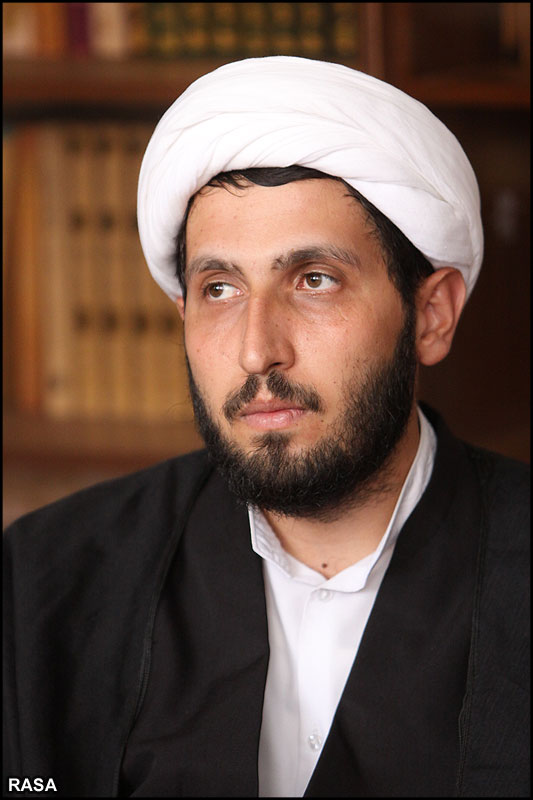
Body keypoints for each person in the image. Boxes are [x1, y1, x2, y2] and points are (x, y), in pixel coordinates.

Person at [3, 57, 529, 798]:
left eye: (313, 280)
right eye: (219, 289)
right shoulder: (43, 583)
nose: (256, 351)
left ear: (431, 315)